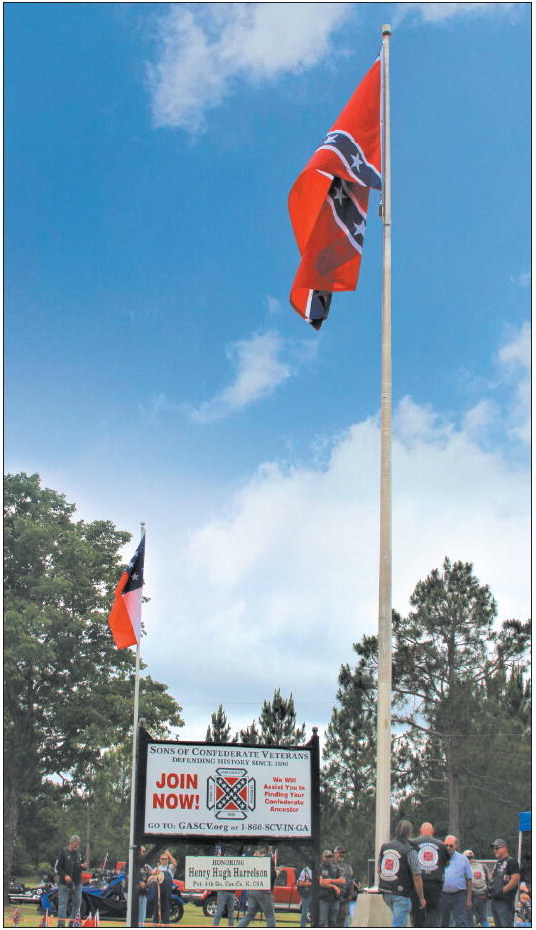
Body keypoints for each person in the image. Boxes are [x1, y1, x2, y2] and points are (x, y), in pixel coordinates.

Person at [377, 819, 426, 928]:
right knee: (398, 924)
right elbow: (417, 876)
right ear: (409, 833)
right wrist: (421, 897)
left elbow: (379, 870)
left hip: (386, 892)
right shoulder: (410, 851)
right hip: (401, 894)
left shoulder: (385, 847)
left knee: (403, 921)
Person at [410, 821, 450, 928]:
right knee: (433, 910)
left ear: (420, 831)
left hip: (417, 883)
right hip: (435, 884)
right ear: (433, 831)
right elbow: (447, 862)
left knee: (417, 911)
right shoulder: (441, 845)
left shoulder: (412, 843)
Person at [237, 847, 277, 928]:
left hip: (251, 888)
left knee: (250, 914)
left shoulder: (252, 858)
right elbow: (272, 875)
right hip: (263, 890)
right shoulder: (268, 859)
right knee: (270, 915)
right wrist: (277, 873)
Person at [439, 835, 472, 928]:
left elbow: (469, 879)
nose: (448, 848)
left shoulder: (463, 859)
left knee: (461, 922)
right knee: (443, 922)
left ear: (456, 846)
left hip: (459, 896)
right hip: (443, 895)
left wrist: (468, 900)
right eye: (446, 845)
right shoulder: (439, 858)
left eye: (451, 845)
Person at [56, 834, 88, 928]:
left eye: (78, 844)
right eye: (76, 843)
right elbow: (58, 868)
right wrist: (65, 875)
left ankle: (72, 922)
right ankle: (61, 924)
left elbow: (81, 864)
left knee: (78, 903)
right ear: (71, 842)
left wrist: (83, 866)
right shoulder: (63, 852)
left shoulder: (79, 853)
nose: (77, 845)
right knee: (63, 903)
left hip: (77, 882)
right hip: (64, 883)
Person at [489, 838, 520, 928]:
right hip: (495, 900)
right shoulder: (498, 863)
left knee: (505, 925)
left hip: (505, 901)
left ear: (504, 848)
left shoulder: (511, 861)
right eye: (494, 848)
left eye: (497, 848)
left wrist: (502, 891)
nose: (495, 850)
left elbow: (515, 879)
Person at [463, 849, 490, 927]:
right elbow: (489, 879)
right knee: (484, 919)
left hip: (471, 897)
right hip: (483, 896)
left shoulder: (465, 867)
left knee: (469, 920)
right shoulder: (483, 866)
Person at [149, 849, 177, 925]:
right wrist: (154, 874)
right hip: (158, 891)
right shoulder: (157, 868)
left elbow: (175, 863)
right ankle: (156, 922)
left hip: (167, 891)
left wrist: (169, 854)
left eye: (166, 859)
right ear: (160, 860)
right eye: (163, 859)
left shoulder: (170, 868)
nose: (164, 860)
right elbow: (152, 878)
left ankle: (166, 923)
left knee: (166, 906)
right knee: (157, 906)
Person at [333, 846, 354, 927]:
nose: (341, 855)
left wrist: (350, 896)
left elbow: (350, 882)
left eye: (343, 853)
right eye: (340, 853)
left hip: (344, 899)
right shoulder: (330, 865)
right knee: (331, 920)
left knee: (341, 920)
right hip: (332, 898)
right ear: (335, 853)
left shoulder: (347, 867)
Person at [138, 845, 151, 927]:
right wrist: (139, 882)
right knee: (135, 915)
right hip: (135, 893)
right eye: (143, 851)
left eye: (145, 851)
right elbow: (129, 875)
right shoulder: (134, 863)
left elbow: (149, 874)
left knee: (142, 916)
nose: (144, 853)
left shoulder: (145, 865)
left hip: (143, 893)